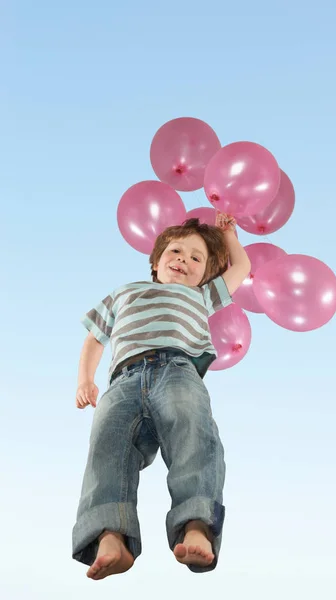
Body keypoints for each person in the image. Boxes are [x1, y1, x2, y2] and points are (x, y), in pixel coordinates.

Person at [72, 212, 251, 580]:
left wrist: (229, 236)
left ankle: (196, 523)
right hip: (122, 379)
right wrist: (84, 379)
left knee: (193, 432)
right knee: (107, 447)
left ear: (205, 275)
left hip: (177, 370)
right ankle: (110, 535)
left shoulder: (202, 296)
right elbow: (94, 338)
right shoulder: (125, 293)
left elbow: (242, 266)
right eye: (175, 251)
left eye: (196, 258)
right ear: (156, 262)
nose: (183, 259)